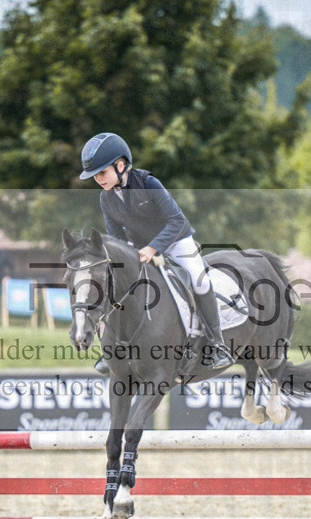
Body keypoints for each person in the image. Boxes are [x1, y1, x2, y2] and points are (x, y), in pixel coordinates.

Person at [78, 132, 233, 373]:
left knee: (199, 279)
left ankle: (216, 345)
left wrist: (153, 247)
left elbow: (176, 220)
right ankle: (111, 349)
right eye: (95, 175)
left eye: (102, 172)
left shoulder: (148, 182)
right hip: (140, 248)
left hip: (176, 240)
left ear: (120, 165)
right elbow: (116, 237)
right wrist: (124, 258)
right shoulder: (105, 198)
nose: (98, 179)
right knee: (115, 283)